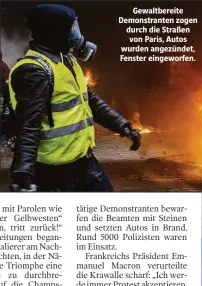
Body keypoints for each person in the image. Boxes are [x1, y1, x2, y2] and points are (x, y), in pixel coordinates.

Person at [8, 4, 141, 192]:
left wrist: (122, 126)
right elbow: (28, 125)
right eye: (71, 28)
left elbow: (90, 101)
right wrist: (23, 172)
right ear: (55, 31)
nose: (76, 34)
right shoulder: (33, 71)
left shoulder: (67, 59)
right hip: (53, 172)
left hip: (83, 162)